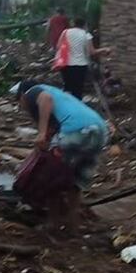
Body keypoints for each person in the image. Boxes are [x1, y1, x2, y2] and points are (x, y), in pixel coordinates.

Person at [16, 80, 110, 232]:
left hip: (77, 130)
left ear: (21, 96)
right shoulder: (60, 96)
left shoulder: (32, 92)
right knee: (76, 182)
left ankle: (53, 224)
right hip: (99, 131)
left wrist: (41, 133)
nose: (22, 107)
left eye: (19, 103)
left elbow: (45, 99)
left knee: (52, 177)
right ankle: (73, 225)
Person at [54, 18, 111, 100]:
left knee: (67, 87)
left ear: (73, 24)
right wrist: (104, 49)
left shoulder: (65, 32)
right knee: (77, 90)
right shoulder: (86, 35)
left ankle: (66, 106)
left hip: (66, 65)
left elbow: (58, 46)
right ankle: (76, 107)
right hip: (80, 66)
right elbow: (92, 52)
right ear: (84, 25)